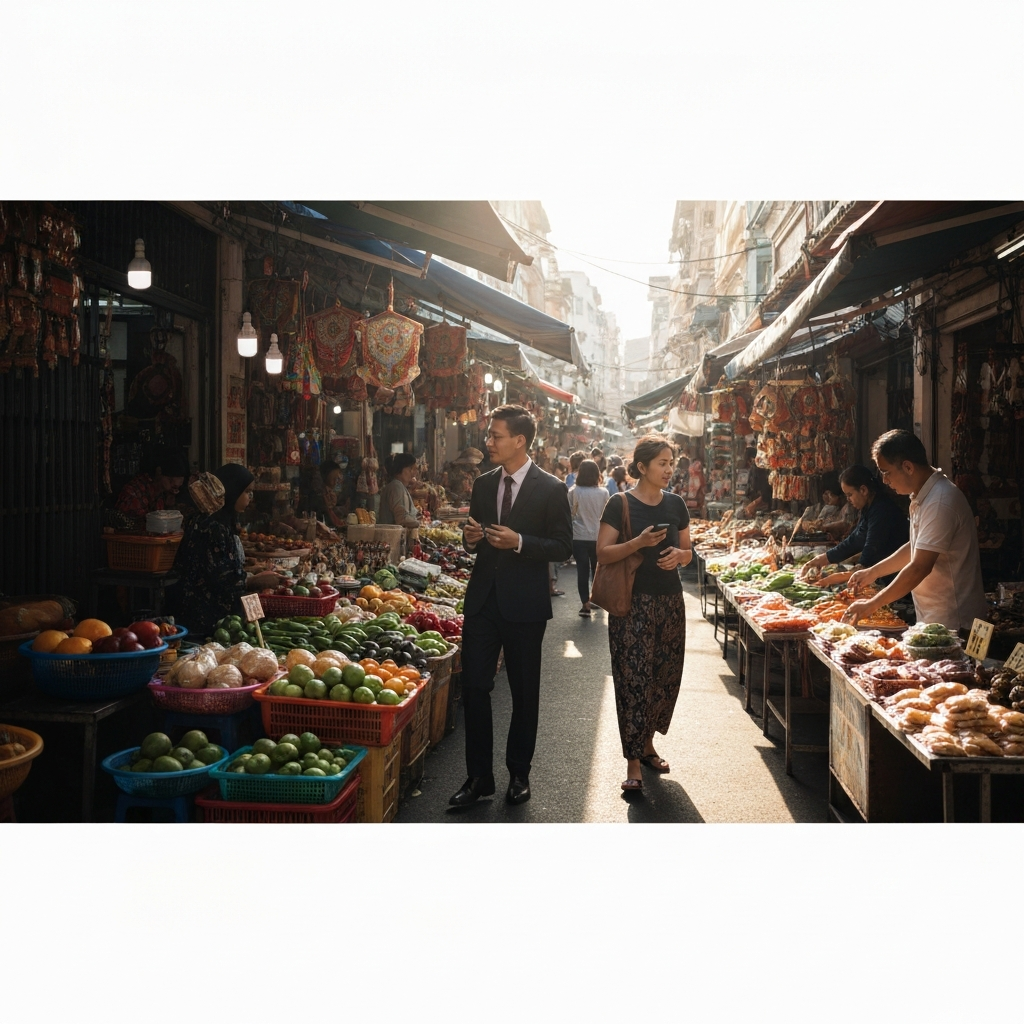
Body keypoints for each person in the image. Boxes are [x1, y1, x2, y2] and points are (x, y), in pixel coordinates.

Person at [451, 404, 573, 807]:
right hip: (483, 600)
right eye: (489, 435)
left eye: (495, 436)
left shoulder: (551, 488)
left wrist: (519, 541)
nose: (488, 442)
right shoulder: (484, 484)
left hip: (525, 604)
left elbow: (563, 546)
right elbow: (473, 536)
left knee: (524, 692)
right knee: (474, 687)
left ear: (519, 441)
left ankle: (519, 773)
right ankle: (478, 777)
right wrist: (470, 539)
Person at [597, 435, 692, 792]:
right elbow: (603, 553)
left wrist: (680, 557)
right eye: (662, 463)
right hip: (631, 603)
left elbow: (689, 551)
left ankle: (648, 743)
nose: (669, 470)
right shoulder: (619, 503)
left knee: (663, 677)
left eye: (671, 463)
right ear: (642, 467)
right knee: (632, 679)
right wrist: (638, 543)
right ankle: (633, 761)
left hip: (670, 602)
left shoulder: (676, 504)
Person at [843, 430, 987, 631]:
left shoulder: (940, 501)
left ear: (908, 467)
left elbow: (920, 566)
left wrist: (872, 605)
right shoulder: (924, 496)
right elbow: (916, 547)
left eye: (886, 472)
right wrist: (873, 572)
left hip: (955, 620)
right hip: (934, 616)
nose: (884, 480)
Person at [176, 464, 284, 638]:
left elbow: (225, 564)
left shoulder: (223, 522)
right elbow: (221, 578)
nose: (250, 498)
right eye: (247, 492)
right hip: (205, 619)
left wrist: (251, 571)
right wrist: (254, 580)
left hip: (218, 617)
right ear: (232, 490)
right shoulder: (212, 527)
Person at [799, 465, 909, 585]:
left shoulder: (882, 509)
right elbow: (856, 539)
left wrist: (846, 575)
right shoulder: (870, 508)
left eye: (850, 494)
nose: (848, 500)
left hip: (898, 577)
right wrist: (823, 558)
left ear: (863, 490)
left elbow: (872, 547)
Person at [568, 459, 608, 617]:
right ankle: (596, 599)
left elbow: (569, 515)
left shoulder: (573, 491)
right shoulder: (604, 493)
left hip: (578, 536)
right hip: (599, 537)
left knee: (582, 571)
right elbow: (607, 517)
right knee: (597, 570)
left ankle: (585, 604)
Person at [115, 445, 189, 524]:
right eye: (171, 482)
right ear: (159, 472)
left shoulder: (162, 494)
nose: (174, 491)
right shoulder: (134, 493)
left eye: (177, 488)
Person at [297, 460, 345, 528]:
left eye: (336, 479)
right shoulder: (317, 494)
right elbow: (323, 517)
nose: (335, 483)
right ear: (326, 476)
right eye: (333, 479)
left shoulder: (325, 493)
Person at [378, 453, 420, 528]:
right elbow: (402, 519)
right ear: (401, 469)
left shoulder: (399, 486)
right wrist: (420, 524)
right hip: (392, 534)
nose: (413, 473)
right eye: (410, 469)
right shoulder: (396, 486)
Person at [741, 447, 772, 518]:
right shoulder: (754, 469)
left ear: (752, 458)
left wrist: (753, 504)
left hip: (762, 507)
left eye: (749, 460)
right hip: (756, 506)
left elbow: (765, 493)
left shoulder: (759, 469)